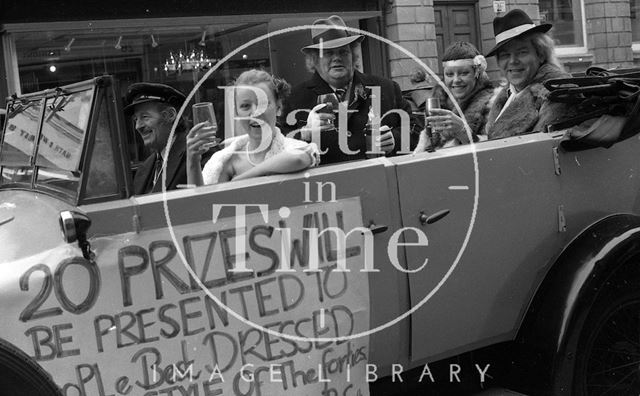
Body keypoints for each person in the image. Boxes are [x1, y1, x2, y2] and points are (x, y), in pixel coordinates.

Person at [281, 15, 417, 164]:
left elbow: (416, 130)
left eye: (343, 52)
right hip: (328, 184)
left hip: (379, 180)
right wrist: (305, 133)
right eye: (328, 53)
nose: (337, 58)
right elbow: (278, 144)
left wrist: (395, 139)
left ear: (353, 55)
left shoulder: (386, 88)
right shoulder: (296, 98)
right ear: (315, 60)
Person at [187, 69, 319, 185]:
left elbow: (299, 158)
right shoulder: (226, 159)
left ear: (278, 108)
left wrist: (240, 180)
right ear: (236, 113)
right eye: (245, 106)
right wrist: (193, 162)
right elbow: (202, 205)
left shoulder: (295, 148)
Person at [484, 9, 571, 139]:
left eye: (522, 52)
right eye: (505, 55)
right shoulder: (506, 96)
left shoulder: (558, 92)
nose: (513, 61)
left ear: (540, 55)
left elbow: (540, 150)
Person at [124, 82, 211, 194]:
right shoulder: (144, 168)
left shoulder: (199, 154)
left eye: (145, 117)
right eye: (136, 119)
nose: (138, 126)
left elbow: (205, 204)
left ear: (170, 115)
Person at [414, 41, 495, 152]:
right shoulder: (437, 104)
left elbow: (494, 150)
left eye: (464, 73)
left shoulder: (492, 104)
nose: (456, 80)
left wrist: (463, 132)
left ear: (476, 74)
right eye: (449, 74)